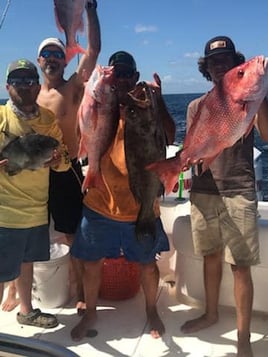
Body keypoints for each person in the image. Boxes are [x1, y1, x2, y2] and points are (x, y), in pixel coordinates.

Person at [1, 0, 101, 313]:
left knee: (73, 233)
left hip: (64, 168)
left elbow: (94, 51)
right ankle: (12, 291)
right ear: (39, 60)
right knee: (22, 232)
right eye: (48, 54)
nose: (53, 59)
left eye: (59, 54)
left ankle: (81, 289)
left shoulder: (72, 88)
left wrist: (90, 10)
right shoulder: (28, 92)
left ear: (65, 61)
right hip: (27, 173)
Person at [69, 50, 176, 341]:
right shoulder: (99, 103)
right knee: (91, 263)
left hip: (140, 206)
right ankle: (91, 311)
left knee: (147, 264)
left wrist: (159, 100)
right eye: (117, 73)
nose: (122, 78)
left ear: (136, 77)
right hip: (100, 204)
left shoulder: (145, 107)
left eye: (127, 73)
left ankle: (151, 309)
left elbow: (169, 135)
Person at [180, 36, 268, 357]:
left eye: (228, 61)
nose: (220, 66)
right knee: (210, 257)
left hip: (238, 189)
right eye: (214, 62)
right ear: (207, 68)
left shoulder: (252, 100)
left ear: (234, 64)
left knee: (240, 266)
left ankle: (243, 337)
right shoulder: (194, 107)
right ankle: (211, 313)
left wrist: (262, 97)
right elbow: (193, 147)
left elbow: (267, 135)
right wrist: (183, 161)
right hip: (203, 190)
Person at [0, 59, 70, 327]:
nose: (24, 86)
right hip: (6, 213)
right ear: (7, 87)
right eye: (17, 81)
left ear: (37, 86)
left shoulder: (47, 119)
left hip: (37, 210)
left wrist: (58, 161)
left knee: (27, 263)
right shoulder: (1, 118)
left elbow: (63, 158)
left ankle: (26, 311)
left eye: (29, 80)